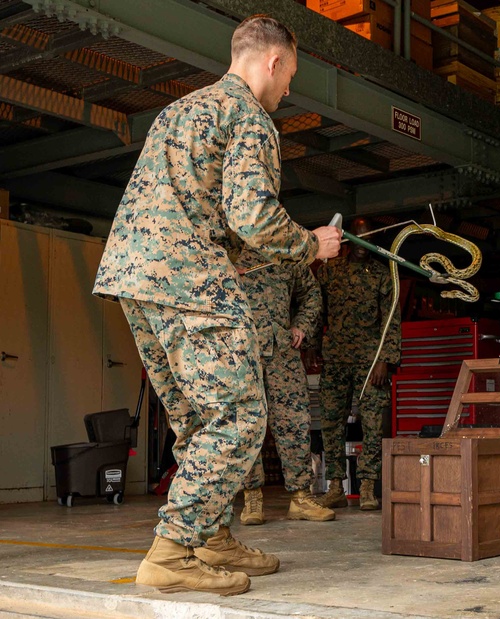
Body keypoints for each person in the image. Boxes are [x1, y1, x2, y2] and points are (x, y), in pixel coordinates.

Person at [92, 15, 342, 595]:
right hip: (191, 283)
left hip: (136, 279)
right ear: (274, 62)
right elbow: (251, 216)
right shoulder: (249, 118)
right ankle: (174, 552)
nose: (288, 91)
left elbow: (209, 213)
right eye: (291, 77)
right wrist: (310, 245)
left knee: (199, 418)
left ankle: (211, 537)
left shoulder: (181, 110)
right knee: (238, 417)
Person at [234, 247, 336, 525]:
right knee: (246, 423)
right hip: (242, 352)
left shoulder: (287, 255)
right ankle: (252, 497)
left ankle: (301, 497)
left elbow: (311, 294)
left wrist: (301, 325)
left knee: (295, 421)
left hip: (283, 352)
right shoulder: (230, 252)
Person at [315, 217, 400, 511]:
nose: (364, 244)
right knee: (331, 423)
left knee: (373, 425)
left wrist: (386, 361)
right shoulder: (330, 271)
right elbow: (317, 312)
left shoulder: (382, 275)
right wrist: (315, 348)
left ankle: (366, 487)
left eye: (369, 238)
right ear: (349, 239)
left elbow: (391, 320)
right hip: (335, 358)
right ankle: (336, 486)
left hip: (370, 361)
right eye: (359, 238)